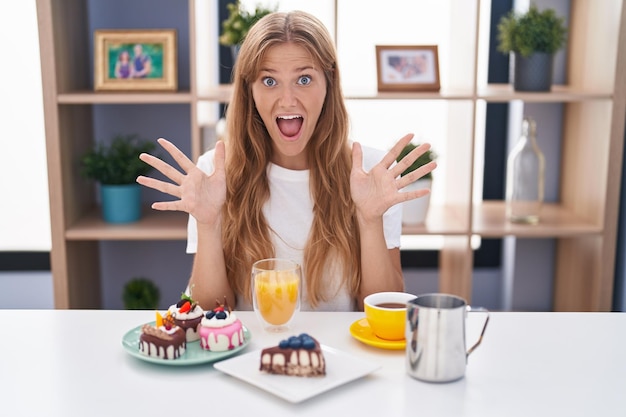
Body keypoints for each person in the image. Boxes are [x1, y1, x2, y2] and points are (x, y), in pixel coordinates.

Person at [137, 10, 436, 312]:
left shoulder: (371, 173)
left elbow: (385, 308)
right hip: (248, 357)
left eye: (304, 79)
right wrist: (209, 223)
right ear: (248, 90)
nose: (288, 99)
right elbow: (209, 311)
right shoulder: (214, 173)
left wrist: (370, 221)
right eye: (269, 81)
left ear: (329, 82)